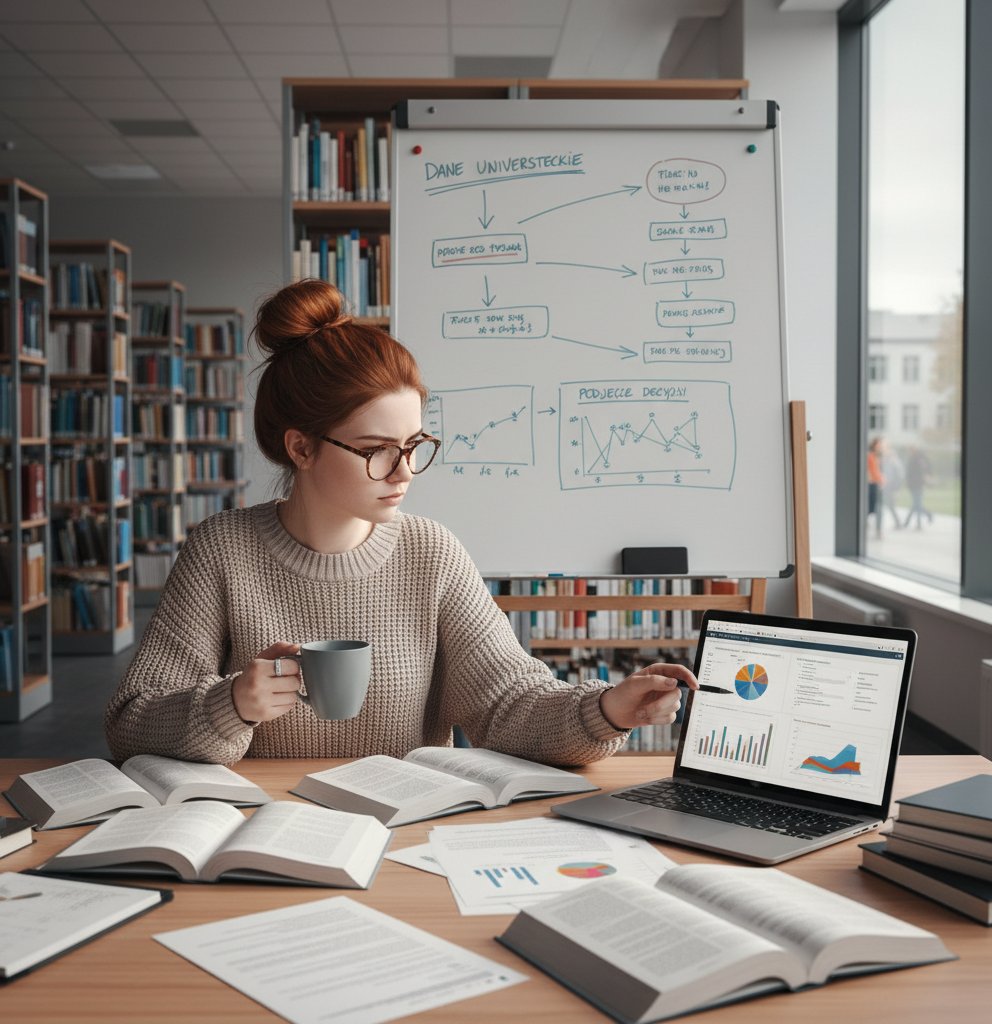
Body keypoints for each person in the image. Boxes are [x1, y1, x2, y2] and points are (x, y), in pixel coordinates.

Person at [106, 279, 695, 766]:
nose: (405, 470)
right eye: (376, 450)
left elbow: (509, 704)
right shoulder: (222, 549)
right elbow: (130, 722)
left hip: (403, 833)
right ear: (302, 448)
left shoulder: (431, 551)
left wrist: (609, 709)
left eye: (413, 444)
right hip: (265, 831)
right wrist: (232, 704)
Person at [903, 446, 933, 529]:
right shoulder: (914, 459)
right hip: (914, 485)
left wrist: (926, 478)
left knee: (917, 504)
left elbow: (925, 470)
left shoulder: (919, 459)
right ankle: (927, 515)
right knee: (916, 504)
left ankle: (915, 522)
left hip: (918, 485)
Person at [880, 440, 905, 530]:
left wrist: (896, 489)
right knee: (887, 505)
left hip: (890, 488)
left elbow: (899, 477)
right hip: (886, 486)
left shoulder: (895, 463)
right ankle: (897, 523)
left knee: (889, 505)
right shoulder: (888, 462)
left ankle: (898, 523)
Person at [866, 437, 885, 539]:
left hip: (878, 484)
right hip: (872, 485)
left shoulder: (879, 457)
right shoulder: (870, 456)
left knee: (878, 509)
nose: (880, 447)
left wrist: (882, 480)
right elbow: (871, 471)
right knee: (871, 508)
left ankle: (878, 530)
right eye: (879, 445)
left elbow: (879, 472)